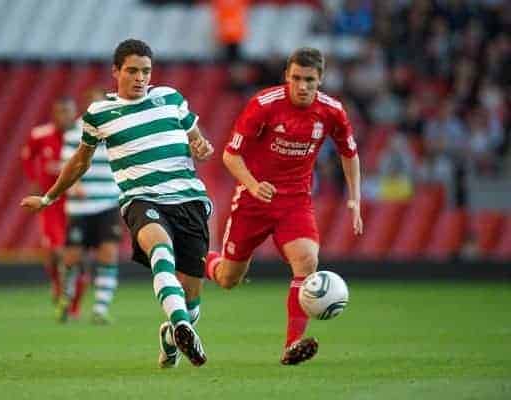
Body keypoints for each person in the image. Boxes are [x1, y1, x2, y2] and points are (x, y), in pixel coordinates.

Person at [21, 39, 214, 368]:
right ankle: (180, 324)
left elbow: (195, 136)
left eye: (146, 71)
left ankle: (172, 334)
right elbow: (79, 162)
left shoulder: (171, 98)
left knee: (192, 293)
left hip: (189, 200)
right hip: (140, 200)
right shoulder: (99, 114)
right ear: (116, 72)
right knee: (160, 249)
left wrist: (200, 144)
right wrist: (50, 196)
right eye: (133, 71)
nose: (140, 78)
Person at [204, 47, 364, 365]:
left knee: (307, 260)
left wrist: (354, 199)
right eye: (296, 78)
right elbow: (229, 155)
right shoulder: (264, 104)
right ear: (286, 77)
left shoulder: (332, 111)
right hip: (253, 201)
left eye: (309, 80)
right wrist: (252, 184)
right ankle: (198, 255)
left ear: (320, 80)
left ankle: (293, 345)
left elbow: (350, 154)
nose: (302, 86)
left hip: (295, 202)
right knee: (227, 278)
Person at [56, 94, 123, 325]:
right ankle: (66, 297)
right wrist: (74, 183)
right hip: (81, 207)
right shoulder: (76, 131)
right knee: (73, 257)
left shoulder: (119, 130)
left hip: (108, 204)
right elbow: (69, 163)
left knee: (109, 253)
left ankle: (100, 309)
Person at [21, 99, 73, 304]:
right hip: (50, 202)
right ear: (53, 113)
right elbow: (26, 157)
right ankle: (58, 284)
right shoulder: (39, 135)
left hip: (74, 204)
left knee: (73, 253)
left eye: (68, 111)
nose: (64, 116)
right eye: (60, 111)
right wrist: (33, 180)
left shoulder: (81, 136)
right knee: (55, 251)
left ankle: (71, 302)